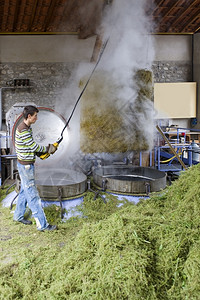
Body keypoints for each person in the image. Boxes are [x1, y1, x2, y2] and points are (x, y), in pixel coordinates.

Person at [13, 105, 57, 231]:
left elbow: (30, 147)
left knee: (24, 191)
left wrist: (40, 153)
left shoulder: (26, 127)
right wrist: (48, 149)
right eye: (35, 116)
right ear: (29, 116)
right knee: (33, 195)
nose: (36, 118)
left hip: (23, 164)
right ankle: (42, 225)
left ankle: (18, 216)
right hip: (26, 167)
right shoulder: (24, 130)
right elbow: (33, 147)